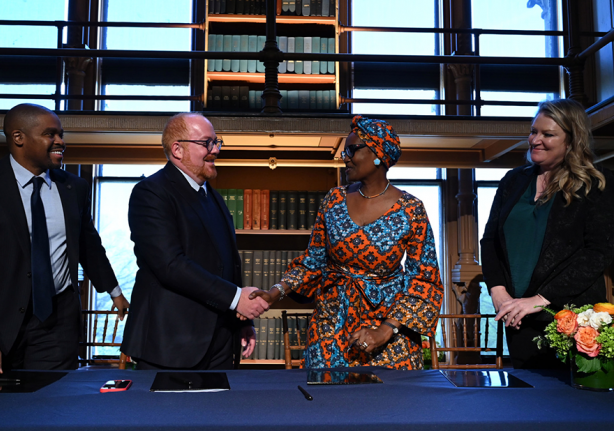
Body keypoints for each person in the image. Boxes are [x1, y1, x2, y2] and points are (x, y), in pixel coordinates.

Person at [0, 104, 130, 386]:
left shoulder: (74, 187)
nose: (61, 142)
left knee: (52, 404)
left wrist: (115, 291)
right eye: (50, 134)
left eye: (61, 134)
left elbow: (88, 244)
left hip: (57, 322)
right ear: (19, 138)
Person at [250, 115, 443, 369]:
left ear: (379, 154)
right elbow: (314, 261)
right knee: (327, 400)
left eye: (352, 149)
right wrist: (275, 292)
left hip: (388, 327)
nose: (345, 157)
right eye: (344, 150)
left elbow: (424, 280)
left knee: (391, 404)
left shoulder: (411, 209)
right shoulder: (333, 200)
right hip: (332, 320)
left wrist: (385, 330)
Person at [120, 113, 268, 370]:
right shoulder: (151, 193)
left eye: (217, 142)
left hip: (221, 342)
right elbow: (170, 265)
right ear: (177, 149)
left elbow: (228, 265)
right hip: (169, 344)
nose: (216, 150)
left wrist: (241, 318)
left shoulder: (216, 199)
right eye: (206, 143)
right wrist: (236, 298)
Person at [481, 99, 614, 369]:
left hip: (571, 318)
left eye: (548, 134)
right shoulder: (513, 181)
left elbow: (598, 253)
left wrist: (540, 300)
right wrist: (499, 293)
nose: (535, 140)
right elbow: (490, 240)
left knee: (573, 403)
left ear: (571, 140)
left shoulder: (597, 183)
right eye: (533, 131)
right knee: (528, 401)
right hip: (517, 317)